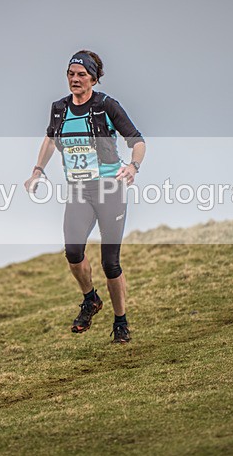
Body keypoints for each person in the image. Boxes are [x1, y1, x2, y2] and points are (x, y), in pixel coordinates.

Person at [24, 50, 146, 343]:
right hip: (79, 191)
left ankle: (121, 322)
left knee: (110, 262)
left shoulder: (106, 106)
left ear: (93, 78)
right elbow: (51, 138)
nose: (75, 79)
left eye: (81, 74)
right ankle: (90, 299)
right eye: (71, 74)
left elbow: (137, 141)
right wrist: (38, 171)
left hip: (109, 189)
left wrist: (133, 165)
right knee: (73, 252)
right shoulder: (59, 109)